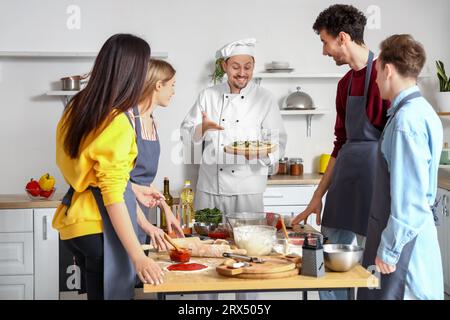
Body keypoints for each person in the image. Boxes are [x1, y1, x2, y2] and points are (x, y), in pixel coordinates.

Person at [53, 34, 166, 300]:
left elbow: (86, 167)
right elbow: (113, 196)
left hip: (77, 222)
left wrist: (134, 190)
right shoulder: (116, 119)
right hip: (100, 227)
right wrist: (139, 257)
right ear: (132, 73)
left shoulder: (77, 106)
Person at [291, 4, 390, 300]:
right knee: (326, 266)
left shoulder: (384, 76)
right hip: (344, 183)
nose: (324, 51)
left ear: (343, 37)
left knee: (371, 266)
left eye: (325, 41)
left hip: (375, 184)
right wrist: (316, 197)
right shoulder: (344, 84)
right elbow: (340, 144)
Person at [180, 38, 287, 300]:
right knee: (207, 250)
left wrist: (260, 153)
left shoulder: (265, 99)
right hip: (210, 190)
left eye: (248, 67)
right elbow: (186, 132)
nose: (242, 73)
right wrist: (202, 128)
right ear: (225, 66)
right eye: (236, 66)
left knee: (248, 255)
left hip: (248, 192)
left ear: (253, 67)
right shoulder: (208, 95)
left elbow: (278, 142)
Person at [358, 34, 443, 300]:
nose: (375, 79)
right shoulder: (422, 110)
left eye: (377, 71)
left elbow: (410, 198)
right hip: (411, 236)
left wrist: (390, 250)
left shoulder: (406, 122)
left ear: (388, 69)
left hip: (404, 246)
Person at [129, 59, 184, 251]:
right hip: (123, 209)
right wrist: (145, 224)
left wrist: (165, 208)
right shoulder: (128, 120)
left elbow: (144, 180)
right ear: (158, 85)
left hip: (142, 208)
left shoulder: (152, 122)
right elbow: (118, 183)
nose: (174, 92)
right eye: (172, 85)